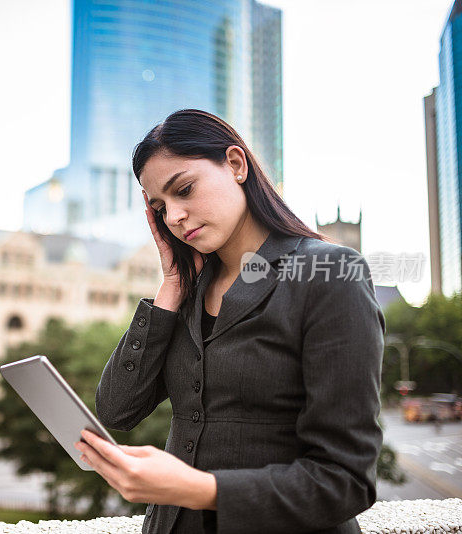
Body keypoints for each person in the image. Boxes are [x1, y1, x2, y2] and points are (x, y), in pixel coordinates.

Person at [73, 109, 385, 533]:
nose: (174, 217)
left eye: (184, 189)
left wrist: (200, 489)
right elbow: (117, 409)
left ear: (236, 165)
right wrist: (170, 288)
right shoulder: (190, 291)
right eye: (160, 207)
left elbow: (345, 481)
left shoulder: (327, 272)